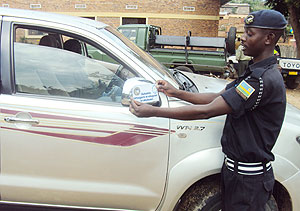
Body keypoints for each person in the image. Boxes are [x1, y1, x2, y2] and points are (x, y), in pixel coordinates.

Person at [130, 10, 287, 211]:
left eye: (250, 34)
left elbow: (208, 111)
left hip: (249, 181)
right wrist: (176, 93)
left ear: (269, 38)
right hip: (237, 174)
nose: (242, 38)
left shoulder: (261, 80)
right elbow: (219, 97)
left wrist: (153, 112)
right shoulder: (254, 72)